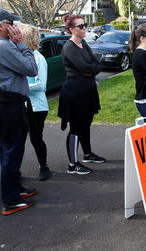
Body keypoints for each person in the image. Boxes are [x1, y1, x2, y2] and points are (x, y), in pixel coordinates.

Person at [0, 8, 38, 215]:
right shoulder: (2, 46)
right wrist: (21, 43)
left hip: (0, 103)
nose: (15, 27)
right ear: (1, 25)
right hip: (9, 106)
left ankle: (15, 189)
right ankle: (10, 200)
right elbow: (31, 68)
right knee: (12, 152)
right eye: (11, 23)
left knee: (8, 150)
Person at [58, 14, 106, 175]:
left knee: (86, 125)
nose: (84, 28)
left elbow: (97, 63)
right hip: (74, 92)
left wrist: (91, 70)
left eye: (84, 25)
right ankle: (72, 164)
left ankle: (87, 154)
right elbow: (86, 67)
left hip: (88, 90)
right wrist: (90, 70)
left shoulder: (83, 43)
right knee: (76, 127)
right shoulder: (69, 47)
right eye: (81, 26)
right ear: (71, 29)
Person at [18, 24, 52, 181]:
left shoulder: (38, 58)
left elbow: (41, 85)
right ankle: (15, 170)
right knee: (19, 139)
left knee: (35, 138)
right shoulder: (21, 56)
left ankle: (44, 167)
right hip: (22, 105)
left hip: (37, 106)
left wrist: (20, 87)